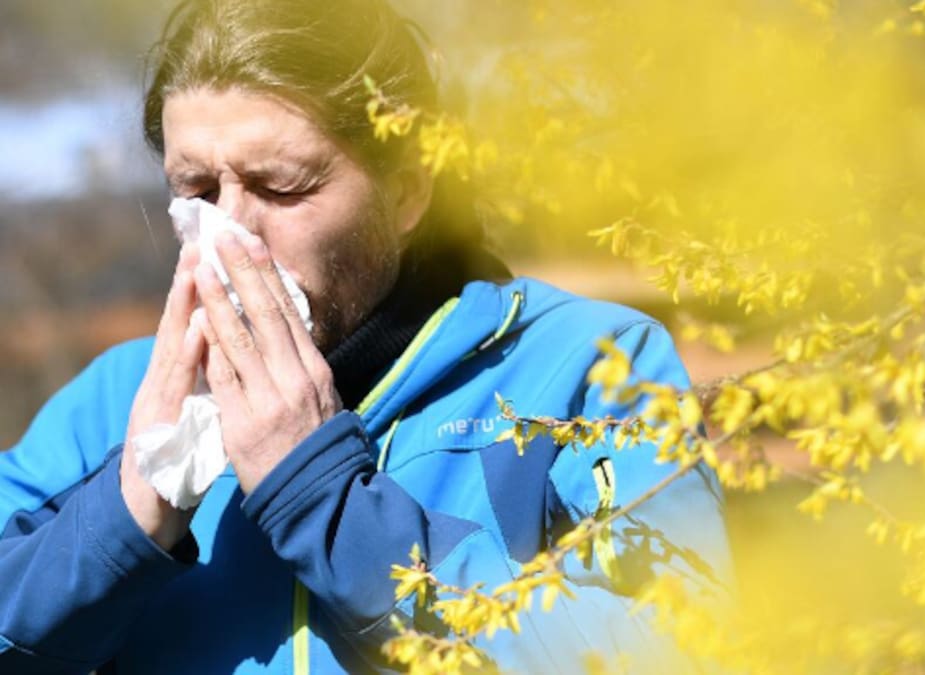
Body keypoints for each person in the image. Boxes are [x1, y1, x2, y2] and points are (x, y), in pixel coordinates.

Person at [0, 0, 731, 672]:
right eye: (196, 191)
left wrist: (329, 504)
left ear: (407, 192)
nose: (231, 231)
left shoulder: (584, 366)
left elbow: (675, 647)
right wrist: (120, 520)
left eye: (282, 187)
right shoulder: (119, 400)